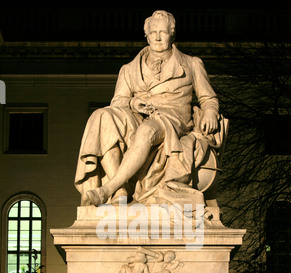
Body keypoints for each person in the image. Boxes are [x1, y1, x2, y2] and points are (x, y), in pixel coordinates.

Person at [75, 10, 219, 207]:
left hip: (172, 119)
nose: (158, 37)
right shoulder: (129, 69)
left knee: (147, 130)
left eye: (163, 32)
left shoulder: (192, 64)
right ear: (146, 35)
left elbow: (208, 98)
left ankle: (108, 188)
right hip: (138, 115)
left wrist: (210, 111)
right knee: (102, 117)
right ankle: (120, 191)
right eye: (153, 33)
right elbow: (118, 102)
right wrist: (134, 103)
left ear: (172, 33)